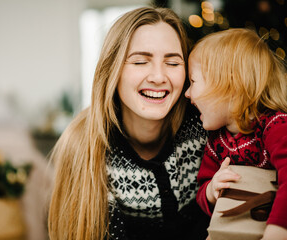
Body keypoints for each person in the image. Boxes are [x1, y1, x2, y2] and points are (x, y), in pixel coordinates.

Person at [48, 7, 209, 240]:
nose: (158, 76)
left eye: (173, 63)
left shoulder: (205, 126)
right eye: (141, 62)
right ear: (113, 70)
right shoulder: (83, 142)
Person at [185, 28, 287, 240]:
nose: (187, 93)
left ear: (228, 85)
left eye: (193, 82)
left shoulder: (275, 127)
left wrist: (278, 229)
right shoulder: (217, 141)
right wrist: (212, 190)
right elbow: (202, 192)